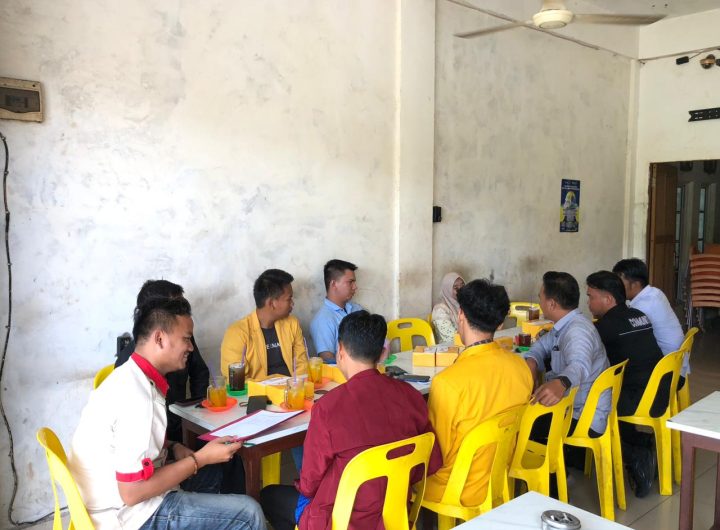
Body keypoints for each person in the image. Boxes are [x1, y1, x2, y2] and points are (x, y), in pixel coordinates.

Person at [69, 297, 265, 530]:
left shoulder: (130, 376)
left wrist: (173, 447)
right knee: (249, 513)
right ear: (160, 339)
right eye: (186, 339)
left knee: (216, 471)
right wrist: (200, 459)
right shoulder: (138, 398)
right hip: (127, 516)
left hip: (115, 499)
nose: (191, 347)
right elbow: (132, 493)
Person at [260, 311, 442, 530]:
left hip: (341, 521)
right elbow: (431, 463)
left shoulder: (328, 408)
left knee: (269, 496)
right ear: (382, 353)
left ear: (340, 351)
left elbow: (309, 485)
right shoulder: (410, 395)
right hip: (396, 516)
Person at [425, 279, 533, 506]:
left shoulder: (448, 382)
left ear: (460, 315)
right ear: (500, 323)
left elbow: (436, 453)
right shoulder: (521, 367)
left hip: (456, 487)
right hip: (501, 475)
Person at [586, 271, 665, 498]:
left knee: (587, 407)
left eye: (591, 296)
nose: (588, 303)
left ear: (608, 299)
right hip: (659, 391)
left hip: (637, 398)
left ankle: (633, 454)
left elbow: (582, 360)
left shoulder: (605, 327)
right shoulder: (639, 314)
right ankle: (641, 441)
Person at [523, 272, 610, 452]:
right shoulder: (564, 326)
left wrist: (561, 382)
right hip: (573, 407)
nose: (540, 302)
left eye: (540, 297)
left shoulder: (577, 331)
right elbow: (541, 346)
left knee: (519, 423)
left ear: (552, 304)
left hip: (582, 417)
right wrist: (532, 361)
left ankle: (551, 468)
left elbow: (579, 365)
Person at [116, 279, 209, 443]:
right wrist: (199, 457)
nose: (190, 347)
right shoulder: (132, 382)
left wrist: (198, 415)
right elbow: (145, 451)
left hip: (179, 429)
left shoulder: (182, 341)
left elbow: (200, 372)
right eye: (174, 307)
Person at [221, 269, 308, 380]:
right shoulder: (237, 334)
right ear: (272, 303)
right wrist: (273, 388)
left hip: (293, 389)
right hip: (258, 391)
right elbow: (237, 381)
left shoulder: (292, 324)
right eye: (289, 298)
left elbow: (301, 365)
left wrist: (296, 386)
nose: (292, 303)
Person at [612, 258, 687, 382]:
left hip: (665, 368)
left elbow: (625, 336)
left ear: (635, 284)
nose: (616, 289)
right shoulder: (655, 292)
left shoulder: (642, 307)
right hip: (676, 360)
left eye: (620, 284)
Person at [309, 259, 363, 362]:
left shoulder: (357, 309)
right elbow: (327, 359)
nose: (355, 287)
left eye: (354, 282)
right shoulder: (323, 320)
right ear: (334, 284)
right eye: (350, 282)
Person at [431, 272, 465, 343]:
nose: (461, 290)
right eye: (455, 287)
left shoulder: (463, 304)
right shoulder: (440, 310)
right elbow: (451, 338)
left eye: (463, 286)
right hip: (449, 347)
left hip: (467, 343)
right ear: (447, 289)